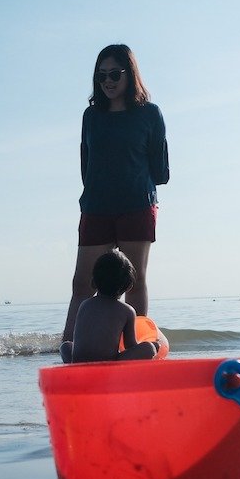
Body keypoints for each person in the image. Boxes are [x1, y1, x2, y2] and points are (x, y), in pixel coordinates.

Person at [60, 44, 169, 346]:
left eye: (114, 74)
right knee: (83, 283)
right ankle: (72, 348)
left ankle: (131, 350)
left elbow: (160, 171)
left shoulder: (150, 114)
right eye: (101, 74)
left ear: (129, 75)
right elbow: (87, 165)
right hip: (96, 207)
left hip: (137, 204)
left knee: (134, 282)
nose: (107, 80)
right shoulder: (91, 116)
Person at [62, 249, 159, 364]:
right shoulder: (127, 311)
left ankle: (71, 364)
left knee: (66, 346)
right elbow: (130, 346)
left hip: (79, 363)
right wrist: (154, 345)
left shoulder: (84, 304)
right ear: (128, 287)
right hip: (107, 364)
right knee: (149, 348)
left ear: (93, 282)